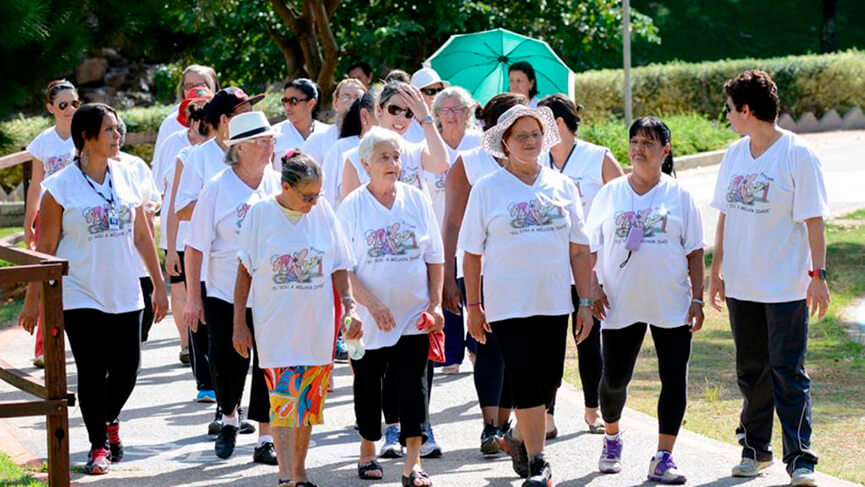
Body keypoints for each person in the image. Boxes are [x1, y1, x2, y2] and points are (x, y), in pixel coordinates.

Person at [18, 103, 168, 475]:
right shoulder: (59, 187)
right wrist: (32, 301)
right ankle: (98, 445)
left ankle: (109, 418)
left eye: (119, 129)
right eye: (110, 131)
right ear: (86, 138)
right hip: (81, 292)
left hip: (124, 290)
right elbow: (45, 249)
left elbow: (142, 235)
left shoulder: (128, 174)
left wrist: (159, 284)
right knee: (91, 368)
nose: (118, 136)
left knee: (127, 370)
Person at [459, 104, 593, 487]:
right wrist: (473, 305)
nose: (531, 142)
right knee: (525, 379)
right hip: (507, 305)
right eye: (522, 136)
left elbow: (580, 249)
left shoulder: (562, 185)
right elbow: (471, 253)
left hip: (553, 302)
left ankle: (518, 435)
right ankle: (538, 462)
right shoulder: (487, 189)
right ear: (505, 143)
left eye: (536, 135)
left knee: (550, 379)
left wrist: (585, 301)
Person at [709, 70, 828, 487]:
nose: (728, 117)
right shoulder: (735, 154)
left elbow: (814, 222)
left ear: (746, 110)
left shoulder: (798, 154)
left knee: (787, 371)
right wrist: (716, 273)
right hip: (742, 285)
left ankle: (801, 459)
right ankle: (755, 450)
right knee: (751, 371)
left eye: (730, 110)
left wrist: (819, 276)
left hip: (785, 287)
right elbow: (723, 218)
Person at [588, 117, 704, 484]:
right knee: (615, 379)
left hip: (670, 302)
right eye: (635, 141)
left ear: (665, 150)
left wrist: (697, 300)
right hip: (620, 303)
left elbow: (695, 252)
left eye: (648, 143)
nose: (639, 149)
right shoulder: (611, 193)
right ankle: (611, 437)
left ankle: (663, 457)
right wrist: (593, 289)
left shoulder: (680, 196)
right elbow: (589, 248)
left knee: (674, 380)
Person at [234, 150, 360, 487]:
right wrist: (238, 323)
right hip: (276, 327)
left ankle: (300, 472)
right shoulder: (260, 213)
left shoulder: (322, 212)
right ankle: (286, 474)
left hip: (316, 327)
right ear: (286, 187)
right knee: (284, 401)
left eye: (318, 195)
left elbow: (338, 264)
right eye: (307, 196)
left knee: (307, 406)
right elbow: (244, 271)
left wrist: (349, 305)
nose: (314, 202)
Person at [337, 126, 445, 487]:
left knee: (414, 384)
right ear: (365, 163)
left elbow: (434, 256)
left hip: (414, 313)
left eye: (396, 156)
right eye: (384, 157)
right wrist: (371, 304)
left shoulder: (416, 198)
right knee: (368, 383)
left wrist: (436, 303)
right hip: (368, 318)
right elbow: (344, 266)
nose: (392, 163)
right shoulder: (352, 206)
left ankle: (412, 463)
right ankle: (368, 449)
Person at [186, 111, 282, 464]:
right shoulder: (217, 188)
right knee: (227, 362)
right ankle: (228, 415)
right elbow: (195, 246)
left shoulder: (279, 184)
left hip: (272, 293)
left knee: (267, 363)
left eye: (271, 140)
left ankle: (265, 437)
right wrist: (193, 298)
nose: (269, 147)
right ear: (239, 148)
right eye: (261, 141)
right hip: (225, 292)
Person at [441, 93, 527, 455]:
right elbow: (452, 222)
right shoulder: (469, 163)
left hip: (525, 271)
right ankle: (490, 426)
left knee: (519, 349)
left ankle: (509, 422)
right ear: (492, 126)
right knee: (489, 346)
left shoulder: (534, 163)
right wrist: (448, 276)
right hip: (478, 270)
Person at [537, 93, 625, 438]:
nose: (532, 134)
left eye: (540, 125)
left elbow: (623, 204)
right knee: (550, 344)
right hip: (550, 269)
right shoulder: (537, 161)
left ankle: (593, 410)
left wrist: (603, 264)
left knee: (589, 341)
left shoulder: (597, 157)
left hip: (591, 267)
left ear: (558, 124)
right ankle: (547, 414)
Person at [152, 87, 217, 398]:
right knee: (196, 305)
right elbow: (175, 207)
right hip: (190, 243)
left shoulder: (229, 154)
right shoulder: (184, 155)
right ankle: (204, 379)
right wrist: (173, 248)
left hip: (219, 247)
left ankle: (220, 378)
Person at [22, 79, 80, 368]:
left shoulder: (84, 134)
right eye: (63, 104)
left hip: (78, 214)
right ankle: (44, 346)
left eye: (75, 103)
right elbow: (35, 185)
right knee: (47, 275)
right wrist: (28, 221)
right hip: (49, 215)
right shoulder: (44, 141)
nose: (70, 109)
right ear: (50, 108)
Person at [427, 85, 481, 375]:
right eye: (443, 110)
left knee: (473, 290)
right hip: (440, 232)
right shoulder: (431, 146)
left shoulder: (480, 143)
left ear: (468, 112)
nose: (450, 116)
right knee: (446, 290)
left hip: (474, 233)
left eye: (456, 109)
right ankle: (450, 356)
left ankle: (476, 345)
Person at [341, 81, 449, 200]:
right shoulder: (354, 158)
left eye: (409, 113)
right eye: (395, 110)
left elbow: (441, 164)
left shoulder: (415, 152)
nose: (402, 118)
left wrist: (425, 117)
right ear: (379, 110)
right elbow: (350, 210)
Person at [115, 118, 162, 345]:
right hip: (111, 257)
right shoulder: (81, 171)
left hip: (140, 252)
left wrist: (148, 209)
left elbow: (153, 197)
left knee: (145, 314)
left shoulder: (135, 165)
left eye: (117, 132)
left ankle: (130, 353)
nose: (114, 137)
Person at [321, 91, 378, 210]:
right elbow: (326, 198)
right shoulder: (340, 149)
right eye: (380, 112)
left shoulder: (400, 149)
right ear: (365, 116)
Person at [153, 64, 220, 158]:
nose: (194, 90)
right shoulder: (170, 123)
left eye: (200, 85)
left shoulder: (221, 119)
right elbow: (159, 161)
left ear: (210, 88)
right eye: (189, 86)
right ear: (182, 89)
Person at [302, 78, 366, 165]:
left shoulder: (371, 141)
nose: (352, 102)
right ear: (335, 103)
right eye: (346, 97)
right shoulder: (317, 141)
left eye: (357, 98)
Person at [273, 79, 329, 167]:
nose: (287, 107)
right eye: (285, 101)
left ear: (311, 103)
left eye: (293, 101)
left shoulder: (328, 133)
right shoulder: (274, 133)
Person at [403, 68, 449, 143]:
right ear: (417, 94)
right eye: (431, 91)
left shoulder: (448, 120)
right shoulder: (405, 125)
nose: (437, 95)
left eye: (440, 90)